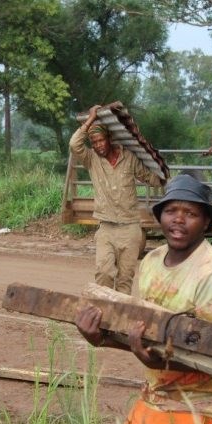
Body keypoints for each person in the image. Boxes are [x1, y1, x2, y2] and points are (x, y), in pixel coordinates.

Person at [76, 174, 212, 424]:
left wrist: (156, 361)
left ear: (206, 222)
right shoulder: (152, 262)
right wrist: (100, 338)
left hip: (201, 408)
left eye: (190, 213)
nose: (178, 219)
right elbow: (145, 336)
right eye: (170, 210)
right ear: (160, 216)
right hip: (157, 398)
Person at [69, 105, 164, 294]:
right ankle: (102, 319)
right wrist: (91, 119)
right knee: (103, 274)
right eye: (93, 142)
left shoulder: (128, 158)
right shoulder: (91, 159)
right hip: (106, 229)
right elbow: (74, 144)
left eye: (100, 141)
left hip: (130, 229)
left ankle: (118, 322)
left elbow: (148, 176)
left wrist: (165, 180)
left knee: (124, 281)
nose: (97, 146)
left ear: (109, 139)